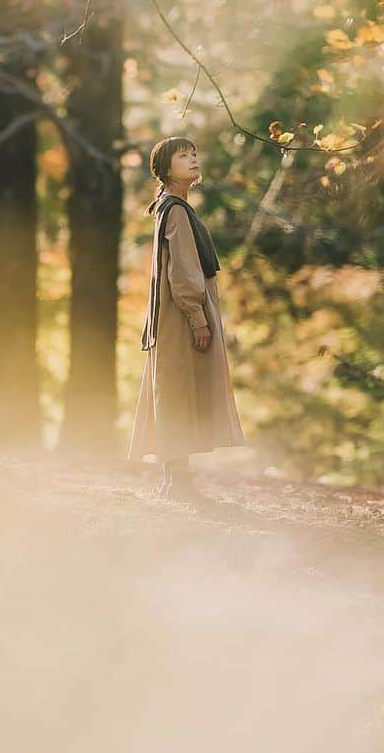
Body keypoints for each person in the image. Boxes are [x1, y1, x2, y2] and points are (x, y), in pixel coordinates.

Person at [127, 135, 245, 500]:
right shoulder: (175, 209)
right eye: (183, 155)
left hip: (175, 315)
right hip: (180, 317)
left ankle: (174, 479)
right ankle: (178, 482)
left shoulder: (171, 207)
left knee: (175, 391)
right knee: (178, 393)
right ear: (164, 168)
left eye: (194, 153)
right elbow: (182, 270)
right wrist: (197, 317)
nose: (193, 159)